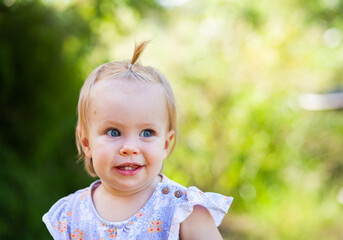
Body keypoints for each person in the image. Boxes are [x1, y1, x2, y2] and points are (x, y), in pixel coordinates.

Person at [42, 41, 233, 240]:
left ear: (166, 144)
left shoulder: (183, 211)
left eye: (147, 133)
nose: (130, 148)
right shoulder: (72, 215)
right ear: (87, 143)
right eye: (113, 132)